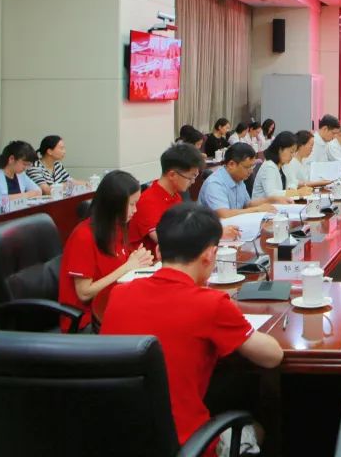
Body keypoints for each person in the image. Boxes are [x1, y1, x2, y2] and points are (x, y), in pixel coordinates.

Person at [102, 203, 284, 451]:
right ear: (210, 254)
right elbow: (272, 357)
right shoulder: (211, 304)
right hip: (186, 445)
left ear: (158, 250)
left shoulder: (119, 294)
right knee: (256, 429)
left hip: (116, 439)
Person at [58, 170, 154, 330]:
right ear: (114, 204)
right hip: (86, 319)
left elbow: (121, 269)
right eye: (132, 204)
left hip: (116, 304)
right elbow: (84, 293)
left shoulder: (117, 227)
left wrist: (140, 262)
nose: (135, 210)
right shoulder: (83, 236)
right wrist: (128, 267)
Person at [128, 143, 209, 250]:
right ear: (172, 175)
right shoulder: (147, 201)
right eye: (191, 177)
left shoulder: (175, 196)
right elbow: (167, 241)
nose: (193, 182)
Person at [198, 143, 286, 219]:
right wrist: (257, 209)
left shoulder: (238, 179)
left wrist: (271, 200)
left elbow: (247, 204)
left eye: (252, 166)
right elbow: (224, 215)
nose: (251, 171)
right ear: (231, 164)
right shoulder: (215, 184)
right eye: (247, 167)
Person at [252, 131, 312, 200]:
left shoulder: (283, 164)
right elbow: (272, 194)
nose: (293, 155)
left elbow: (293, 182)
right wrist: (297, 192)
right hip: (263, 206)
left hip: (278, 204)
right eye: (291, 152)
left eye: (294, 152)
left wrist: (291, 189)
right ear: (280, 149)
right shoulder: (269, 166)